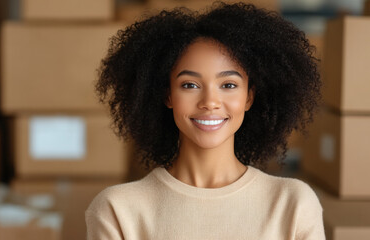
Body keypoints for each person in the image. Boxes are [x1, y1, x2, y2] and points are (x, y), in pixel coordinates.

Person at [86, 2, 325, 239]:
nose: (210, 101)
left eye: (228, 85)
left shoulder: (293, 205)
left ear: (249, 98)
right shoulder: (117, 210)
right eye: (190, 85)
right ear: (167, 95)